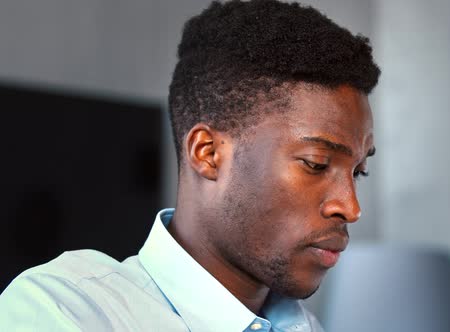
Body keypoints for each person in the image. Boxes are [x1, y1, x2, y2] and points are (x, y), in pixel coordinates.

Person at [0, 0, 380, 330]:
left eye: (357, 172)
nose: (351, 207)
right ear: (208, 153)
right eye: (315, 164)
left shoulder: (306, 326)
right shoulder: (67, 312)